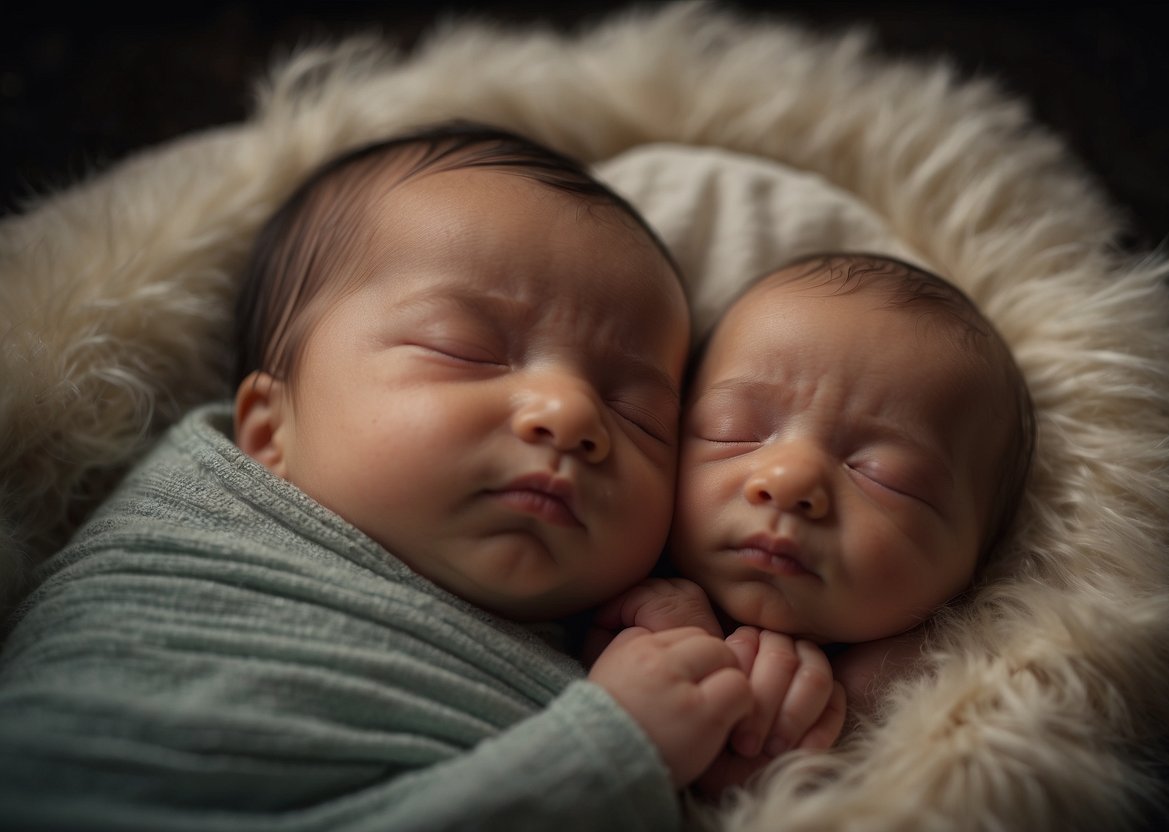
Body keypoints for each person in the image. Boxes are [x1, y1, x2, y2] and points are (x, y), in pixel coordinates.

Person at [0, 123, 816, 830]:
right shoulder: (191, 535)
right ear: (267, 429)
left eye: (636, 411)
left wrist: (731, 730)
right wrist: (608, 752)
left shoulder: (614, 634)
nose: (572, 415)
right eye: (463, 349)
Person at [595, 251, 1036, 791]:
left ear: (978, 562)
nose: (789, 480)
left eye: (883, 477)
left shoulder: (964, 696)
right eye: (736, 432)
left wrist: (860, 712)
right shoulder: (607, 580)